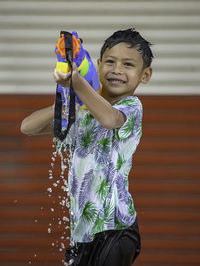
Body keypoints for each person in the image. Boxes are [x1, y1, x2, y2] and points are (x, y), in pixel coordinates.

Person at [21, 28, 153, 266]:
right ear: (98, 65)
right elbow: (27, 127)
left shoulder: (132, 107)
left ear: (145, 75)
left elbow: (110, 119)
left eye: (128, 65)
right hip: (84, 233)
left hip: (117, 228)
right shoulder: (82, 114)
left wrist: (79, 84)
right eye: (110, 62)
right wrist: (70, 101)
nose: (117, 70)